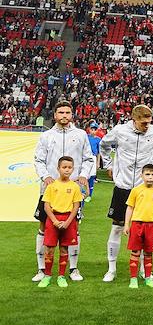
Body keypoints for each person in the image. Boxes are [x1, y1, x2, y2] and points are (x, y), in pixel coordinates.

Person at [99, 104, 153, 283]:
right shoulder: (120, 131)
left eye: (149, 122)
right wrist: (108, 165)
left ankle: (145, 270)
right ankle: (111, 269)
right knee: (117, 226)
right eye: (143, 123)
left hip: (143, 188)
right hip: (123, 186)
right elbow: (104, 144)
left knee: (146, 230)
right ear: (134, 119)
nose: (147, 126)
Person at [33, 101, 93, 283]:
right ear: (55, 115)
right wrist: (45, 176)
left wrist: (83, 175)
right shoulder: (46, 136)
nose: (64, 116)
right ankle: (41, 269)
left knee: (74, 227)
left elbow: (88, 159)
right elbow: (38, 160)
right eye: (61, 112)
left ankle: (73, 268)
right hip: (50, 190)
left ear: (72, 114)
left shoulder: (81, 135)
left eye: (67, 112)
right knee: (43, 226)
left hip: (73, 190)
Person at [38, 156, 83, 288]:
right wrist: (54, 221)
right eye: (64, 167)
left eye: (69, 167)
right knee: (49, 249)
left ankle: (61, 276)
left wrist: (68, 222)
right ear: (58, 169)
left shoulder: (75, 187)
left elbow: (76, 206)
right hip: (53, 220)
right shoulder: (51, 186)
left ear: (73, 169)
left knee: (64, 249)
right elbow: (46, 206)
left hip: (68, 219)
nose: (67, 170)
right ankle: (47, 275)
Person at [123, 163, 153, 289]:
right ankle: (133, 279)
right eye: (147, 174)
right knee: (135, 252)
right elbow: (130, 208)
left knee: (148, 252)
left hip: (152, 226)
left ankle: (148, 278)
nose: (150, 177)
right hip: (137, 225)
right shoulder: (136, 190)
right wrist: (126, 224)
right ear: (141, 175)